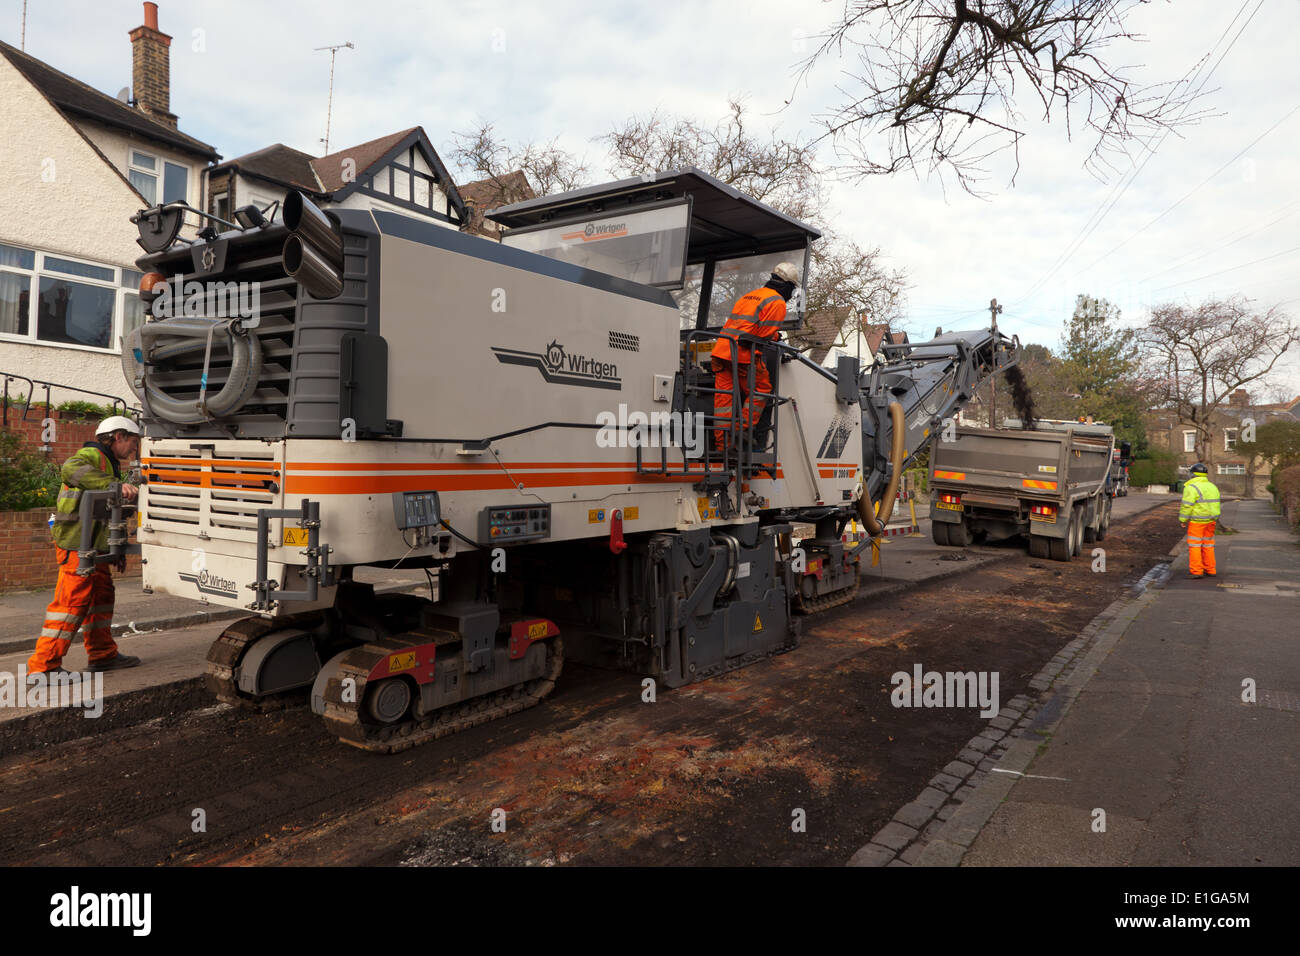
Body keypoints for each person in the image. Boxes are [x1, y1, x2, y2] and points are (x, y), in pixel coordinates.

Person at [27, 416, 143, 676]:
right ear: (119, 436)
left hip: (93, 545)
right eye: (133, 443)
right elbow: (70, 468)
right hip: (77, 545)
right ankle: (43, 668)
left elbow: (106, 512)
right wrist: (114, 485)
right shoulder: (92, 455)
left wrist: (116, 549)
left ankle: (103, 655)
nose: (134, 450)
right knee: (70, 604)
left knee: (101, 598)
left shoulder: (108, 464)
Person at [710, 262, 800, 454]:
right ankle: (740, 429)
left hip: (723, 350)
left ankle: (722, 446)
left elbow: (743, 325)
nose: (791, 294)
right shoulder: (776, 302)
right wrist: (776, 337)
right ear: (787, 286)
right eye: (792, 289)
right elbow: (764, 335)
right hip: (742, 353)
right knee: (762, 389)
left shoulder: (750, 295)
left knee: (723, 400)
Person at [1179, 463, 1222, 578]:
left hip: (1197, 522)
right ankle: (1210, 569)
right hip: (1211, 521)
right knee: (1208, 545)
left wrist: (1183, 519)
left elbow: (1187, 505)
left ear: (1192, 474)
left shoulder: (1191, 487)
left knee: (1195, 546)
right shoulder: (1212, 486)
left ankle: (1196, 571)